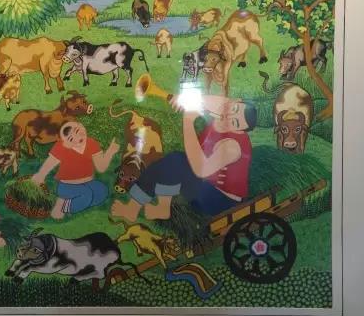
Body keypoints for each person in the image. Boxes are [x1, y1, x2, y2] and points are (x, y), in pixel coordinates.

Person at [111, 93, 256, 222]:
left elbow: (200, 170)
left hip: (218, 200)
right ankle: (154, 208)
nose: (229, 116)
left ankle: (142, 209)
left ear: (239, 130)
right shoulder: (225, 107)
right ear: (235, 101)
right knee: (170, 163)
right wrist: (181, 99)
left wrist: (188, 122)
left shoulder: (232, 147)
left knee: (177, 161)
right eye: (234, 109)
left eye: (235, 122)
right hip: (207, 186)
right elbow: (200, 99)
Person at [32, 121, 119, 219]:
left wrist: (110, 152)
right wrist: (40, 175)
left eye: (77, 131)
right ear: (65, 143)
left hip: (88, 182)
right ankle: (63, 204)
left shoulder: (92, 143)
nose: (77, 138)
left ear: (82, 126)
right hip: (67, 186)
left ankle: (73, 202)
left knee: (102, 191)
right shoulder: (61, 147)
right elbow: (50, 163)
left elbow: (101, 168)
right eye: (71, 139)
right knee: (86, 195)